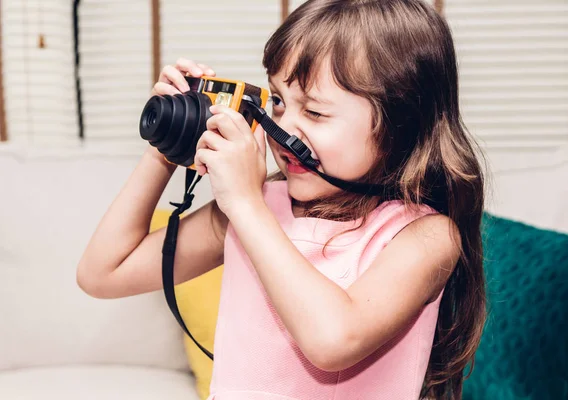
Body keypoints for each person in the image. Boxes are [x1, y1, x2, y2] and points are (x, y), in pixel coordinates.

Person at [77, 0, 486, 398]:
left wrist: (245, 205)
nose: (281, 127)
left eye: (315, 112)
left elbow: (333, 341)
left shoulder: (424, 237)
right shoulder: (254, 208)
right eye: (277, 101)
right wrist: (166, 148)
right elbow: (104, 273)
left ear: (400, 124)